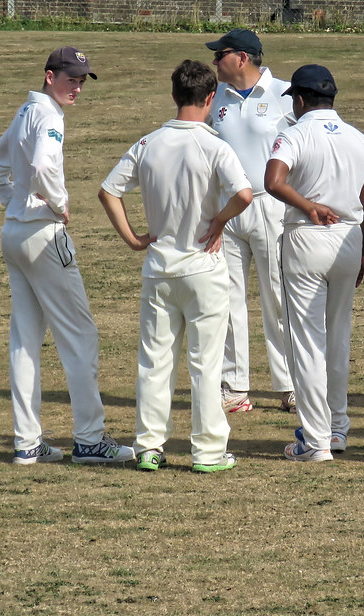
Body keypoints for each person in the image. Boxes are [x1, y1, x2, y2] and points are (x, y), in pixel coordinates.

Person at [99, 60, 253, 473]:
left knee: (155, 360)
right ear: (210, 98)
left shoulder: (148, 144)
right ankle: (207, 451)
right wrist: (219, 220)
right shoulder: (215, 145)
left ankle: (149, 445)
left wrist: (133, 238)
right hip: (204, 268)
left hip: (160, 269)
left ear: (173, 96)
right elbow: (244, 193)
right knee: (206, 363)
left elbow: (108, 192)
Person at [0, 46, 132, 466]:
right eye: (71, 79)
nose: (77, 87)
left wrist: (15, 204)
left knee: (25, 340)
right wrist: (58, 203)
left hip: (15, 232)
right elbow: (45, 166)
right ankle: (89, 440)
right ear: (50, 77)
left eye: (83, 80)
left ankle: (27, 442)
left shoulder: (27, 111)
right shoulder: (46, 115)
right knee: (80, 335)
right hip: (42, 235)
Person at [265, 64, 364, 462]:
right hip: (349, 241)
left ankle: (315, 441)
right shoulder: (361, 140)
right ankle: (337, 431)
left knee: (307, 343)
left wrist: (309, 206)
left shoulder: (293, 134)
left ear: (299, 99)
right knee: (338, 338)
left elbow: (273, 182)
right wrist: (363, 249)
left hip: (306, 238)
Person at [205, 29, 295, 413]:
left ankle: (291, 385)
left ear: (242, 58)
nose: (214, 62)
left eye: (220, 55)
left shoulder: (284, 93)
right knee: (226, 298)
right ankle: (234, 386)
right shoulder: (216, 99)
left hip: (271, 207)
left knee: (278, 295)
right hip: (228, 210)